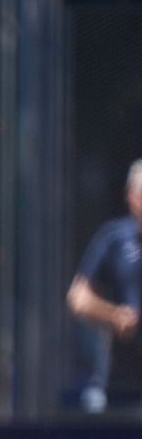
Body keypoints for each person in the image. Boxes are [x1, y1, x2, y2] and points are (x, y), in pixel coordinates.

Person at [67, 160, 142, 413]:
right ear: (132, 197)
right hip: (121, 383)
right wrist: (114, 315)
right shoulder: (114, 238)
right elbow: (78, 297)